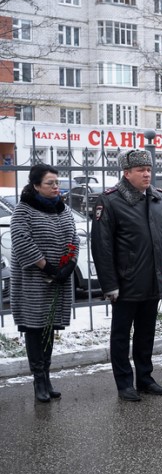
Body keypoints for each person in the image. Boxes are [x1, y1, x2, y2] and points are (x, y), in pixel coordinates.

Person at [92, 149, 162, 402]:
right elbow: (102, 247)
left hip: (154, 279)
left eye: (149, 169)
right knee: (121, 335)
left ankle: (145, 377)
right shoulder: (109, 201)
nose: (146, 174)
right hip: (126, 282)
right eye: (141, 170)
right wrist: (110, 284)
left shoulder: (160, 200)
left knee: (146, 333)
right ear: (126, 173)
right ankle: (124, 383)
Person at [10, 164, 79, 403]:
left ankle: (47, 376)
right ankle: (38, 379)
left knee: (49, 328)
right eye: (50, 183)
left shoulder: (63, 209)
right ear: (36, 185)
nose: (55, 187)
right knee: (35, 328)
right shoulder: (24, 210)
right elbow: (21, 241)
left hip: (58, 279)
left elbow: (74, 237)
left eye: (57, 183)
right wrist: (46, 267)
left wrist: (69, 264)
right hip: (34, 281)